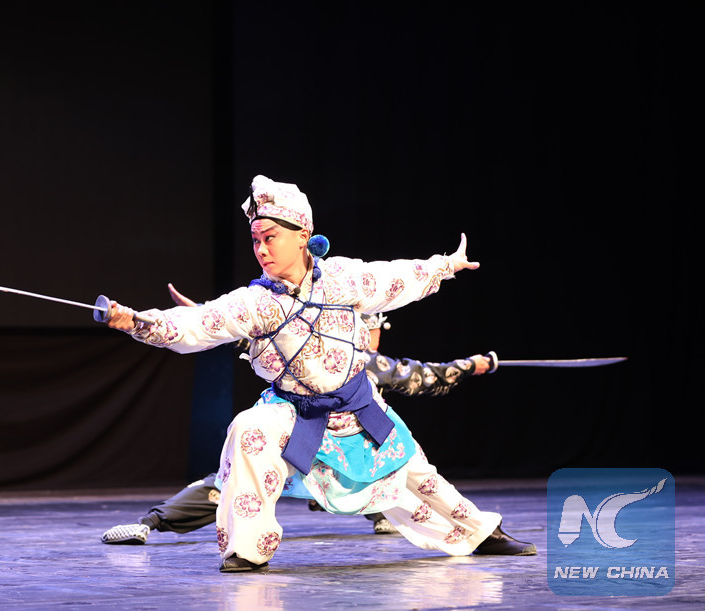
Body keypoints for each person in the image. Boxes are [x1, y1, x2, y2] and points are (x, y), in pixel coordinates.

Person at [100, 174, 535, 572]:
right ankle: (246, 549)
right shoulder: (256, 302)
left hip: (357, 408)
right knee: (249, 429)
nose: (261, 250)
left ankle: (481, 533)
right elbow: (197, 324)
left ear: (303, 236)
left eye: (270, 238)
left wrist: (446, 265)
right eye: (255, 240)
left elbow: (396, 277)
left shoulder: (342, 278)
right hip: (295, 414)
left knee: (417, 476)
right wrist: (135, 321)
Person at [101, 304, 494, 544]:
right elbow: (247, 335)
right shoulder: (339, 355)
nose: (374, 336)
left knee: (386, 469)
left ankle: (389, 516)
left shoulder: (365, 363)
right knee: (233, 480)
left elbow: (423, 374)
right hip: (302, 443)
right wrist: (194, 318)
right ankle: (152, 521)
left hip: (338, 455)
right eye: (372, 328)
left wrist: (473, 365)